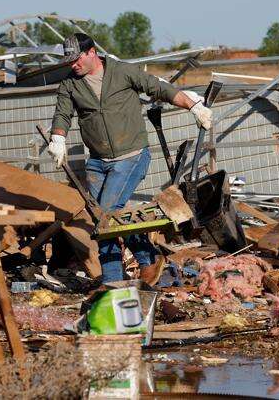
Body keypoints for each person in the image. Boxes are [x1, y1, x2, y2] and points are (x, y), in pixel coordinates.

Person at [48, 33, 212, 284]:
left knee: (106, 214)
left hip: (131, 156)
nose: (73, 65)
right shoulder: (70, 84)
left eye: (77, 59)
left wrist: (194, 107)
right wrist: (58, 138)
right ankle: (141, 261)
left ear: (92, 52)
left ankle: (115, 278)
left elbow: (159, 87)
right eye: (69, 61)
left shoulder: (122, 72)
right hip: (97, 161)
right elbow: (62, 114)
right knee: (102, 217)